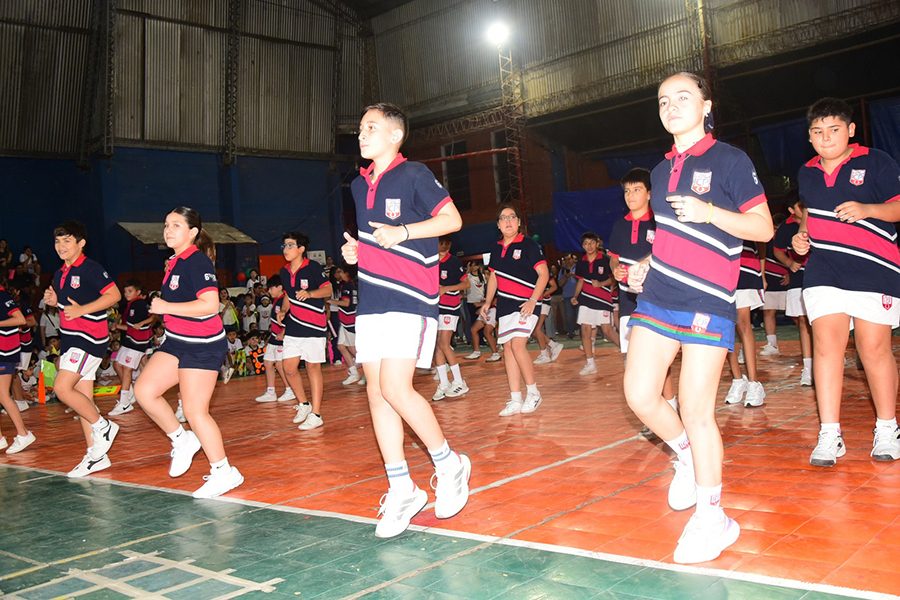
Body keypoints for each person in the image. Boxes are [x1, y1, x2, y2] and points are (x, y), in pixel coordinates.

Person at [623, 72, 773, 563]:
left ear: (706, 106)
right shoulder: (661, 171)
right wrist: (647, 265)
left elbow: (763, 228)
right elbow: (669, 237)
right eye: (664, 100)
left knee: (695, 407)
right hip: (660, 294)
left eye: (683, 97)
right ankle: (686, 456)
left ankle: (714, 518)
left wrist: (710, 212)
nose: (671, 106)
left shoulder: (730, 159)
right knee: (640, 395)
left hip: (708, 299)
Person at [341, 102, 470, 538]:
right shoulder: (359, 186)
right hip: (373, 300)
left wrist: (404, 232)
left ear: (395, 135)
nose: (362, 134)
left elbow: (452, 219)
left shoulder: (414, 174)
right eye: (360, 128)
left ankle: (449, 463)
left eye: (371, 128)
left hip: (411, 297)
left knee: (396, 388)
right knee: (377, 394)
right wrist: (358, 253)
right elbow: (375, 239)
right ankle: (402, 488)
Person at [791, 97, 900, 467]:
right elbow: (809, 213)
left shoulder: (876, 161)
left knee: (873, 349)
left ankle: (887, 427)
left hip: (875, 268)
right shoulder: (806, 171)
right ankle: (829, 433)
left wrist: (868, 209)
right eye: (818, 132)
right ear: (810, 136)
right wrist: (802, 234)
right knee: (826, 347)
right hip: (824, 270)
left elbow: (898, 206)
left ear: (850, 130)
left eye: (834, 129)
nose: (826, 137)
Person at [134, 206, 243, 498]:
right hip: (176, 340)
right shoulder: (174, 262)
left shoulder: (197, 262)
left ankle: (224, 471)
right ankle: (182, 440)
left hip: (203, 345)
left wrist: (165, 307)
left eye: (176, 225)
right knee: (144, 391)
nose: (168, 230)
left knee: (195, 411)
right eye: (166, 225)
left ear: (193, 232)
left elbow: (209, 305)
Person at [43, 221, 122, 477]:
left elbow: (114, 295)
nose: (61, 246)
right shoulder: (59, 273)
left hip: (88, 339)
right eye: (57, 241)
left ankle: (105, 426)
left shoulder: (90, 268)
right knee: (83, 400)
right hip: (70, 338)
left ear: (81, 243)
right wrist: (56, 302)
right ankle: (96, 455)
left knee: (62, 388)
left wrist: (81, 310)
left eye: (67, 240)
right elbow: (70, 306)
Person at [609, 168, 676, 434]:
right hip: (627, 299)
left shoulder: (661, 221)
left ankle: (668, 406)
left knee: (660, 357)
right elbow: (614, 256)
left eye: (637, 189)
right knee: (634, 359)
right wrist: (615, 268)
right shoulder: (618, 225)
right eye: (627, 191)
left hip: (658, 297)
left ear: (649, 193)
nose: (631, 195)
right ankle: (652, 409)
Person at [481, 204, 550, 417]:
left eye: (512, 217)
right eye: (503, 218)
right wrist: (487, 302)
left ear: (518, 222)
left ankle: (533, 392)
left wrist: (532, 300)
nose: (508, 221)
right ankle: (515, 398)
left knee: (518, 345)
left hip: (526, 304)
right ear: (498, 225)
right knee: (508, 349)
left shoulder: (528, 244)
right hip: (505, 306)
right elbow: (494, 277)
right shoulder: (495, 248)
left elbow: (544, 274)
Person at [277, 231, 331, 431]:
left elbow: (328, 290)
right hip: (294, 326)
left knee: (312, 368)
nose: (286, 249)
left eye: (290, 245)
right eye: (284, 246)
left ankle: (316, 414)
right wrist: (284, 310)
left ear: (301, 249)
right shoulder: (284, 271)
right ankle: (304, 404)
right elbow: (287, 295)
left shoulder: (313, 267)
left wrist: (310, 293)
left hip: (314, 326)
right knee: (288, 368)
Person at [721, 240, 767, 407]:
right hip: (720, 268)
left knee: (743, 324)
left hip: (745, 267)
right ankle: (738, 379)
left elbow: (762, 241)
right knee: (726, 327)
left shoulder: (745, 214)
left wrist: (762, 273)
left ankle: (755, 383)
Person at [774, 195, 813, 386]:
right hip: (799, 279)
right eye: (800, 206)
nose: (804, 208)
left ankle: (829, 361)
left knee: (823, 323)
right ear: (792, 210)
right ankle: (808, 368)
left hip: (822, 278)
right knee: (804, 323)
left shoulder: (818, 219)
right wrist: (790, 263)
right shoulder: (787, 227)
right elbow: (777, 249)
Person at [572, 232, 619, 375]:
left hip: (603, 300)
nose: (589, 246)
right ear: (582, 246)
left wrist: (601, 283)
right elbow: (580, 281)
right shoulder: (581, 263)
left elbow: (613, 280)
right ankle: (590, 363)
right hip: (586, 299)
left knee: (607, 331)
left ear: (597, 243)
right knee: (585, 330)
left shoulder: (606, 260)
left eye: (592, 243)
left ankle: (627, 353)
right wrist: (575, 296)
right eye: (586, 243)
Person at [0, 276, 36, 454]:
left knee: (3, 395)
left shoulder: (3, 296)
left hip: (5, 352)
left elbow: (20, 319)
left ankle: (23, 434)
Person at [109, 280, 155, 415]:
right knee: (117, 364)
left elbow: (154, 316)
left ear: (138, 292)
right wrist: (117, 326)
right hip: (129, 339)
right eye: (125, 291)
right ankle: (130, 393)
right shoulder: (129, 305)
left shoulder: (140, 304)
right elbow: (130, 327)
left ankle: (124, 403)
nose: (126, 294)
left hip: (139, 342)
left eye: (130, 291)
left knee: (127, 368)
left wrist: (142, 323)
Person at [433, 235, 470, 399]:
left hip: (450, 307)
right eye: (441, 243)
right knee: (437, 346)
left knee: (444, 343)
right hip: (435, 308)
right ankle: (444, 383)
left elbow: (466, 284)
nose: (444, 246)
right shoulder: (431, 262)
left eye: (447, 243)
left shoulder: (454, 262)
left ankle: (460, 381)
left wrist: (446, 288)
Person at [254, 275, 295, 403]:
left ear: (280, 287)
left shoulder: (285, 301)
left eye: (271, 288)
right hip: (274, 336)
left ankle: (290, 390)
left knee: (279, 364)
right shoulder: (276, 300)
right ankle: (271, 392)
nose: (270, 292)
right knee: (267, 362)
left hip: (282, 338)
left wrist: (284, 332)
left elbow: (292, 320)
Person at [327, 266, 364, 386]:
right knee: (341, 346)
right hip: (345, 320)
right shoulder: (352, 285)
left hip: (349, 320)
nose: (339, 274)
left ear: (347, 273)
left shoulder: (348, 286)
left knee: (352, 348)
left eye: (340, 272)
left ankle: (369, 372)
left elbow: (346, 303)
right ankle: (354, 373)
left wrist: (331, 301)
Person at [760, 216, 790, 357]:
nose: (776, 231)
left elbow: (795, 259)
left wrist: (790, 274)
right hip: (770, 281)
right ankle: (772, 344)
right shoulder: (765, 241)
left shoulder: (788, 238)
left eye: (778, 228)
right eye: (774, 227)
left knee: (798, 316)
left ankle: (812, 341)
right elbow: (762, 260)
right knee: (768, 312)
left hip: (786, 281)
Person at [532, 276, 563, 364]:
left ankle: (544, 354)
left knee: (537, 329)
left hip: (543, 302)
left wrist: (543, 294)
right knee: (534, 331)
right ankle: (553, 345)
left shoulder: (543, 270)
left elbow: (554, 286)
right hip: (535, 302)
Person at [464, 262, 486, 347]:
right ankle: (475, 340)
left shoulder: (482, 277)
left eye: (475, 265)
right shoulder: (468, 276)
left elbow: (484, 288)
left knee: (482, 321)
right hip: (471, 301)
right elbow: (463, 281)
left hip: (481, 301)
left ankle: (481, 339)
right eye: (472, 266)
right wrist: (468, 271)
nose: (474, 267)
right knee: (473, 321)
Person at [559, 253, 578, 338]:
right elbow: (560, 284)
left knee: (579, 315)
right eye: (566, 259)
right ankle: (571, 333)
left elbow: (583, 280)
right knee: (569, 316)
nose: (568, 261)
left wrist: (575, 276)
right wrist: (565, 277)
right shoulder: (563, 270)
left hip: (578, 295)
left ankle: (581, 333)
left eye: (569, 259)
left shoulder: (578, 268)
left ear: (572, 259)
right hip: (567, 296)